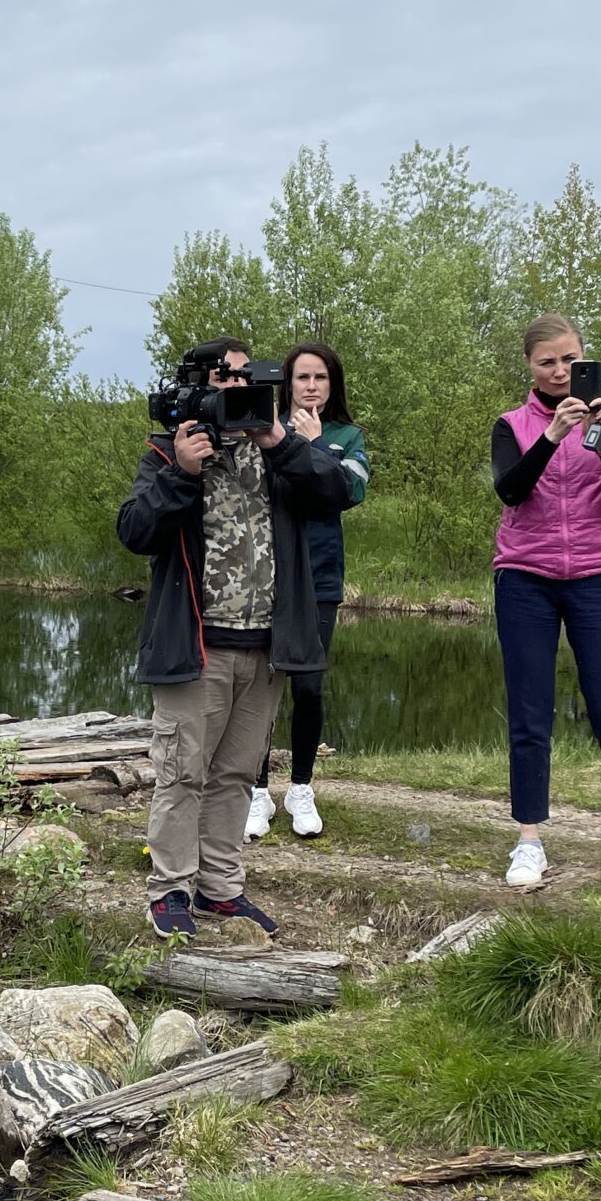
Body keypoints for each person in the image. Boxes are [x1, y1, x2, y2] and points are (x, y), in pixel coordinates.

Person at [118, 337, 355, 939]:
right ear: (199, 387)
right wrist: (181, 472)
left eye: (249, 377)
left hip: (266, 646)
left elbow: (335, 493)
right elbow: (136, 531)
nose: (242, 388)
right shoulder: (167, 452)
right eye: (228, 378)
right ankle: (171, 888)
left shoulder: (278, 450)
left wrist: (282, 442)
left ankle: (220, 888)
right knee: (182, 773)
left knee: (236, 775)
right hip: (196, 646)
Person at [492, 314, 601, 897]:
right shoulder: (511, 425)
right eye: (548, 362)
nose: (560, 371)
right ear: (530, 366)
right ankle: (529, 839)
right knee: (529, 715)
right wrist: (551, 436)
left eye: (570, 360)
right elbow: (510, 489)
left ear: (584, 358)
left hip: (599, 577)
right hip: (525, 578)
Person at [247, 341, 369, 840]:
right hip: (267, 573)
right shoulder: (263, 429)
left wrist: (315, 447)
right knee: (259, 685)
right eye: (302, 377)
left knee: (308, 685)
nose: (312, 386)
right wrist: (288, 441)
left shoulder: (346, 436)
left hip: (319, 575)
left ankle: (300, 787)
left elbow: (346, 493)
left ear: (332, 384)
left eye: (321, 377)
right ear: (287, 384)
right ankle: (256, 790)